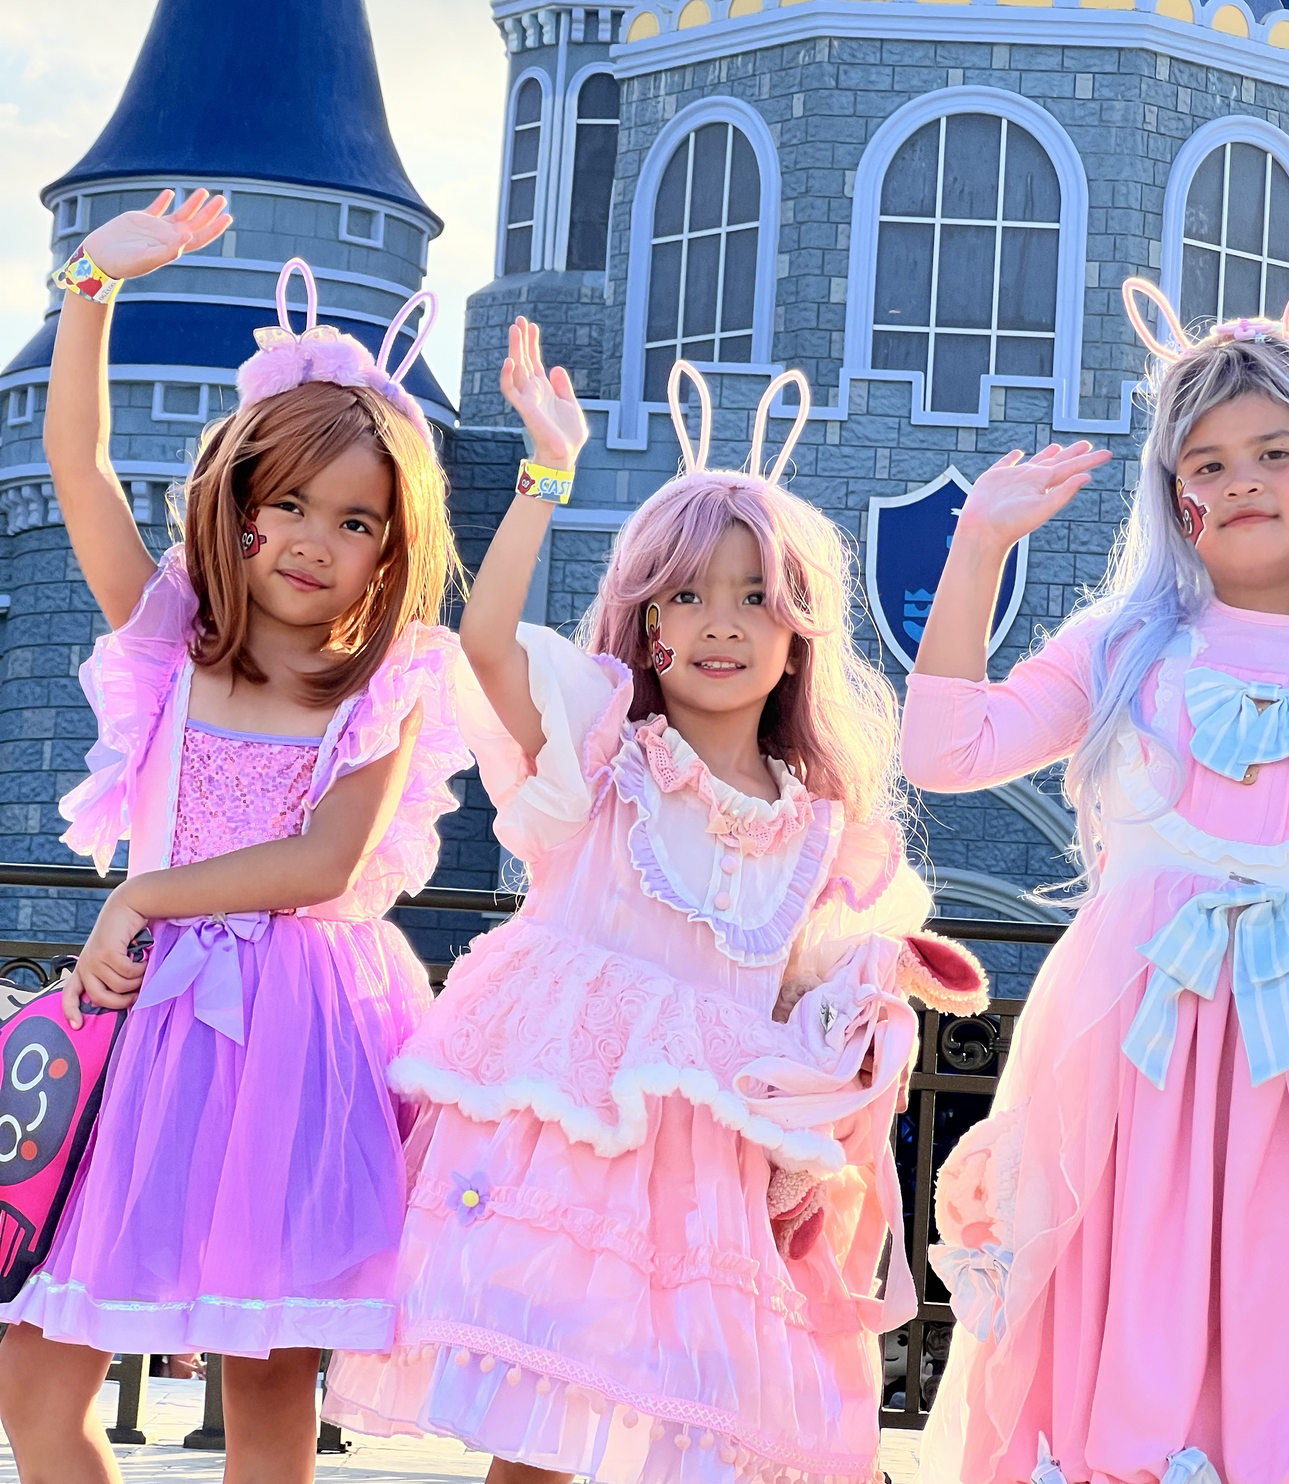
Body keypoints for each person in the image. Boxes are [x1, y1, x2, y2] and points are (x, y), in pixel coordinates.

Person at [325, 321, 988, 1484]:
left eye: (757, 597)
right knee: (539, 1434)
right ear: (649, 622)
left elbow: (817, 1003)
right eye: (688, 594)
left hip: (703, 1184)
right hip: (568, 1139)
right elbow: (486, 645)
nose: (722, 622)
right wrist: (547, 471)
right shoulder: (601, 748)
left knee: (685, 1438)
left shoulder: (821, 827)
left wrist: (872, 986)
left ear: (798, 635)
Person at [906, 236, 1289, 1484]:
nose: (1240, 483)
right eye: (1206, 463)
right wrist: (979, 544)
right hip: (1140, 1078)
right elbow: (945, 750)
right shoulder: (1126, 643)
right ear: (1173, 493)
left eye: (1275, 451)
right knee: (1133, 1349)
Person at [0, 192, 470, 1484]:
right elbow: (79, 466)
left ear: (391, 549)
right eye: (294, 502)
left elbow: (325, 865)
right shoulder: (172, 637)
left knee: (267, 1385)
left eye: (357, 521)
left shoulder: (379, 692)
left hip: (298, 1041)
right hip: (143, 1029)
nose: (317, 540)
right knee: (37, 1379)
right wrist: (91, 286)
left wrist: (146, 893)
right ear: (241, 500)